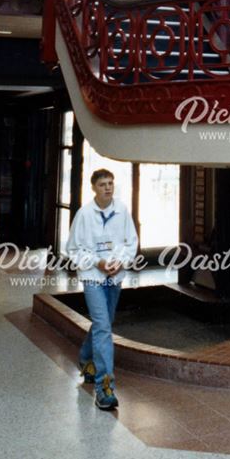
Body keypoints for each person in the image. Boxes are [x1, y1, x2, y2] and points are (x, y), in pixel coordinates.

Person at [66, 169, 138, 410]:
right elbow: (73, 249)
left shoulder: (122, 210)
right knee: (104, 326)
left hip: (114, 276)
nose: (108, 187)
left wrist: (119, 261)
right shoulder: (84, 214)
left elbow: (131, 243)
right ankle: (104, 388)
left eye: (110, 183)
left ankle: (87, 359)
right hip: (93, 276)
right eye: (103, 184)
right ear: (94, 188)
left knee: (103, 324)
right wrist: (97, 262)